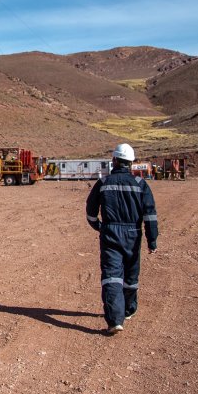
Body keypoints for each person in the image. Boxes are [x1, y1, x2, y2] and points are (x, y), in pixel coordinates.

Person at [86, 143, 158, 335]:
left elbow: (91, 212)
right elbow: (150, 215)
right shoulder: (141, 185)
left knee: (111, 276)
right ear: (131, 163)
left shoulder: (103, 183)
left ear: (114, 161)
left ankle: (115, 320)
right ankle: (128, 310)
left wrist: (99, 227)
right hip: (133, 234)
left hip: (110, 233)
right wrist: (152, 240)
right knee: (131, 275)